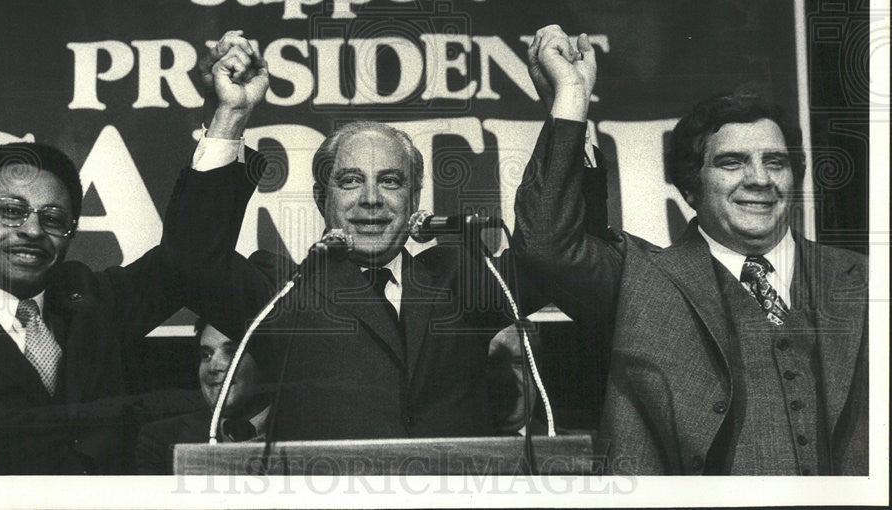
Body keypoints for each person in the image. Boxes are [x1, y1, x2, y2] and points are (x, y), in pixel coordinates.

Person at [169, 30, 607, 442]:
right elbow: (192, 258)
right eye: (352, 181)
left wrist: (568, 106)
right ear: (323, 197)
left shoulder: (461, 277)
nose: (372, 199)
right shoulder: (283, 290)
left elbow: (563, 255)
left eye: (392, 181)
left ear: (415, 197)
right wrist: (231, 113)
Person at [513, 24, 869, 475]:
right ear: (690, 187)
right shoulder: (642, 281)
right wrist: (571, 99)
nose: (759, 179)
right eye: (731, 162)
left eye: (774, 162)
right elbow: (545, 245)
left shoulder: (864, 279)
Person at [0, 108, 250, 474]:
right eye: (11, 211)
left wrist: (230, 117)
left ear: (70, 234)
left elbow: (187, 258)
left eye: (53, 218)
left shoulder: (93, 303)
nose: (32, 230)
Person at [135, 318, 268, 474]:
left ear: (264, 361)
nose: (212, 367)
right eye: (206, 355)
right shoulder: (161, 439)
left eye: (232, 352)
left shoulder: (301, 427)